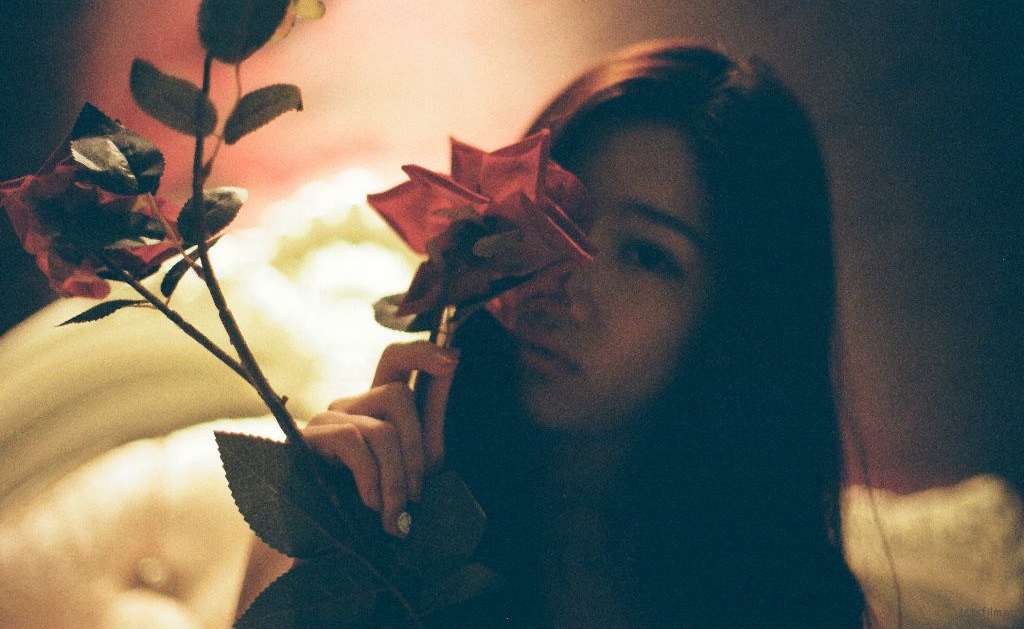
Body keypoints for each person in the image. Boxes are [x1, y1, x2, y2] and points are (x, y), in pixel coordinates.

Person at [236, 39, 866, 627]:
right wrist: (322, 542)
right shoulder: (355, 506)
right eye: (557, 217)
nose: (567, 283)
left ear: (734, 320)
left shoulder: (787, 596)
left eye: (644, 255)